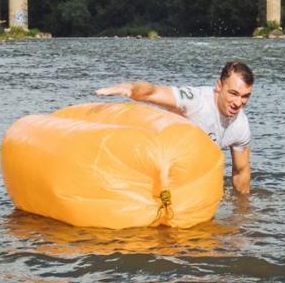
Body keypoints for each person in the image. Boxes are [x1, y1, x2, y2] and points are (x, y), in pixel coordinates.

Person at [95, 61, 254, 194]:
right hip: (154, 165)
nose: (238, 102)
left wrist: (242, 217)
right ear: (219, 86)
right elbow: (153, 92)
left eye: (245, 96)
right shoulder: (195, 101)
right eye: (233, 93)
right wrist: (131, 88)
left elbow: (241, 172)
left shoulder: (240, 125)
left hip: (187, 175)